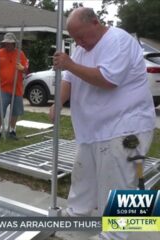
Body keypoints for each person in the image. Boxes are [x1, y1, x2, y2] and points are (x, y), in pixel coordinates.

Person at [50, 8, 156, 240]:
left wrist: (68, 64)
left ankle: (115, 235)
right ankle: (76, 216)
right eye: (75, 38)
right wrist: (58, 104)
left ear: (96, 22)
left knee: (120, 182)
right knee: (83, 178)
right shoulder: (80, 49)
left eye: (82, 36)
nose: (79, 42)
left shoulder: (118, 41)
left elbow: (108, 79)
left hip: (126, 126)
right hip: (93, 130)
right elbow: (68, 80)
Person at [0, 32, 29, 140]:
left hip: (17, 88)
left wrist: (22, 68)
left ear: (14, 44)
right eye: (6, 43)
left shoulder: (20, 54)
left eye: (10, 43)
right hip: (3, 87)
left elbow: (26, 67)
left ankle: (12, 131)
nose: (7, 45)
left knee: (15, 111)